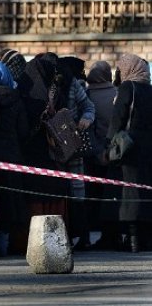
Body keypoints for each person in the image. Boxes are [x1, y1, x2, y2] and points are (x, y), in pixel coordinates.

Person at [18, 53, 71, 231]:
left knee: (35, 197)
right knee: (55, 197)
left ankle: (32, 238)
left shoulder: (25, 94)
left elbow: (22, 129)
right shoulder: (57, 94)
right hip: (55, 155)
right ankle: (58, 236)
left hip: (32, 155)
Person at [0, 61, 29, 256]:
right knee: (10, 201)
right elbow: (23, 130)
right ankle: (4, 242)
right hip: (12, 154)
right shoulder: (16, 98)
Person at [107, 53, 152, 252]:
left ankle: (133, 239)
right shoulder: (150, 89)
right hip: (148, 147)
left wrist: (110, 143)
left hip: (129, 146)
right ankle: (146, 238)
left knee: (130, 191)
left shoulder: (127, 87)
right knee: (146, 189)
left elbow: (118, 118)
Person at [57, 56, 95, 250]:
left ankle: (82, 236)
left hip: (72, 140)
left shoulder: (72, 85)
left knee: (77, 190)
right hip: (54, 142)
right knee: (62, 190)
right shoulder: (50, 82)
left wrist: (86, 119)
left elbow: (88, 106)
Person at [85, 61, 120, 250]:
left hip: (94, 154)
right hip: (114, 154)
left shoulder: (87, 95)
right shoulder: (117, 94)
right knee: (112, 195)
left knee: (94, 195)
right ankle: (111, 234)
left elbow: (90, 129)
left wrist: (97, 152)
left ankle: (95, 233)